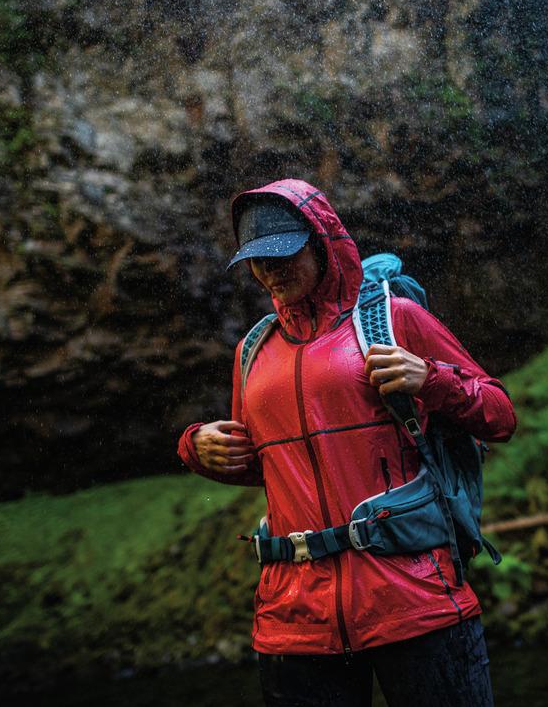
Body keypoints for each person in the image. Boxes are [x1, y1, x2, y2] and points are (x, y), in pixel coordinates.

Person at [176, 178, 516, 707]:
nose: (271, 271)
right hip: (294, 619)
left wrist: (430, 379)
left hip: (413, 598)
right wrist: (197, 448)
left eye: (284, 254)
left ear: (322, 242)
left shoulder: (394, 319)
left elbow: (499, 415)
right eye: (258, 261)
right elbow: (263, 468)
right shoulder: (252, 352)